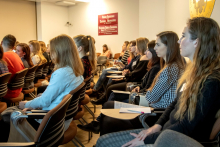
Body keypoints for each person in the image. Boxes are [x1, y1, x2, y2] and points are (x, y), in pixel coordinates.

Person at [96, 17, 220, 147]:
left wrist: (148, 138)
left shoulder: (209, 81)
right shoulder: (192, 72)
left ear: (197, 42)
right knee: (104, 134)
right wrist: (157, 126)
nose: (179, 41)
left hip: (168, 133)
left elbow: (186, 126)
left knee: (106, 134)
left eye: (183, 36)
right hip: (163, 128)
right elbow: (174, 104)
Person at [19, 34, 84, 131]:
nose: (50, 53)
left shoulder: (62, 73)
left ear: (59, 52)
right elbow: (51, 99)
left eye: (52, 50)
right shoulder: (75, 70)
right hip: (58, 119)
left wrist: (27, 104)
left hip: (49, 123)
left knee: (7, 115)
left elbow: (45, 101)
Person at [1, 34, 25, 99]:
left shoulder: (2, 57)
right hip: (18, 89)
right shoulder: (17, 56)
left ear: (1, 42)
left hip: (7, 92)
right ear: (14, 47)